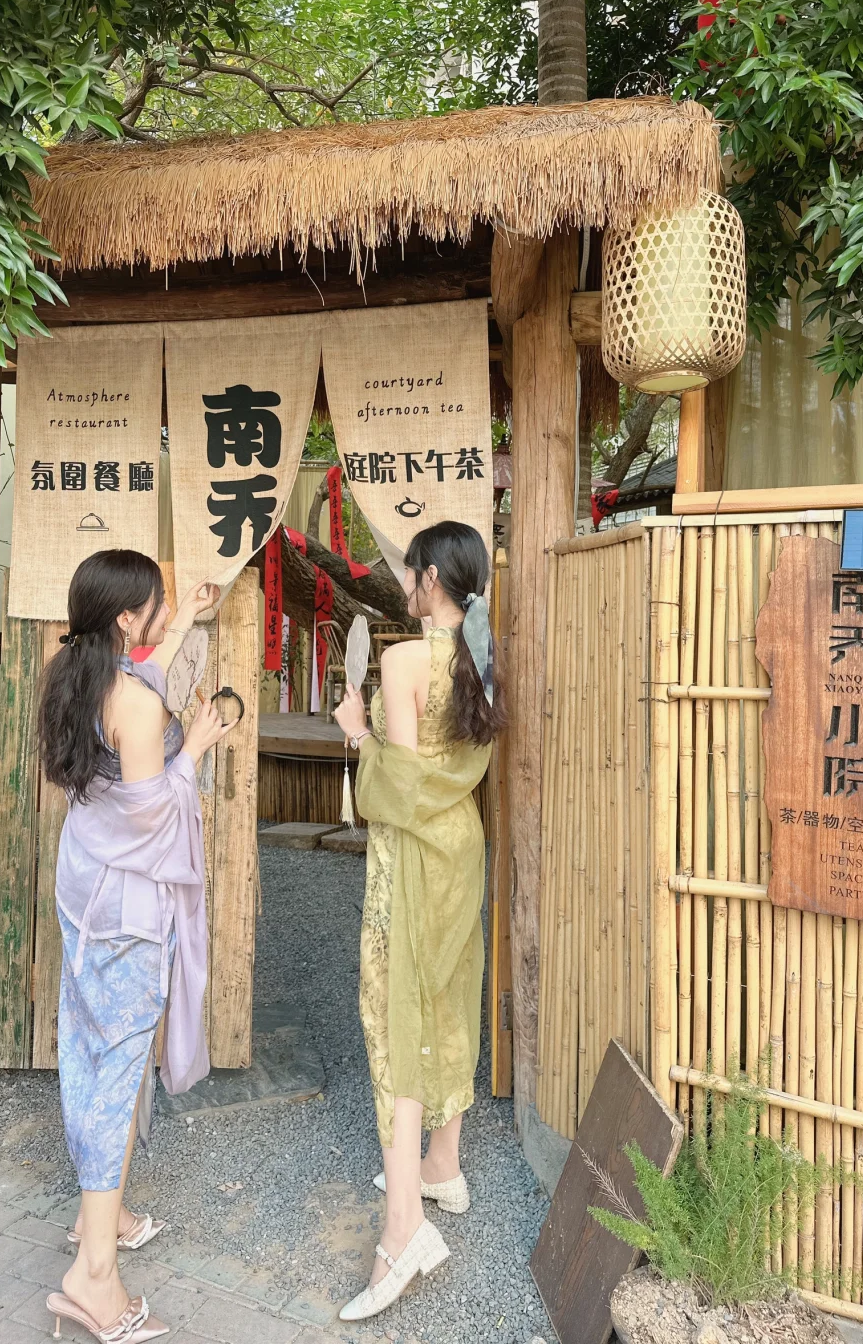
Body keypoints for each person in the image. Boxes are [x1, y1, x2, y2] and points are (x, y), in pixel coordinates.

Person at [37, 550, 234, 1343]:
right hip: (127, 909)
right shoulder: (140, 706)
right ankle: (94, 1278)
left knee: (90, 1051)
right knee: (117, 1072)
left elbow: (139, 679)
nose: (160, 612)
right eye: (155, 603)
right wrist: (200, 746)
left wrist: (183, 617)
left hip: (84, 889)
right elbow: (153, 817)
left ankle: (104, 1217)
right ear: (126, 617)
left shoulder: (72, 675)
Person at [333, 519, 506, 1321]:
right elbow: (446, 774)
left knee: (397, 1012)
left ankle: (402, 1230)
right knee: (448, 993)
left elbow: (399, 788)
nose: (404, 583)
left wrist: (356, 733)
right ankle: (444, 1165)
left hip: (413, 855)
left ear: (431, 578)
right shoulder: (482, 656)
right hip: (461, 844)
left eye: (409, 572)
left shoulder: (403, 660)